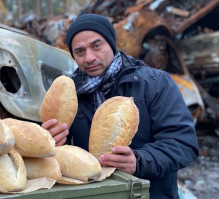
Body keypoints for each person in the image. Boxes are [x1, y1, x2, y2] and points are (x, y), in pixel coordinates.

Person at [41, 14, 198, 199]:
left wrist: (140, 162)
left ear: (111, 44)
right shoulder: (69, 94)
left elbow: (183, 143)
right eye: (80, 51)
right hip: (96, 194)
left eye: (96, 46)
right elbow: (67, 157)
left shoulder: (155, 83)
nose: (89, 57)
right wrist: (52, 144)